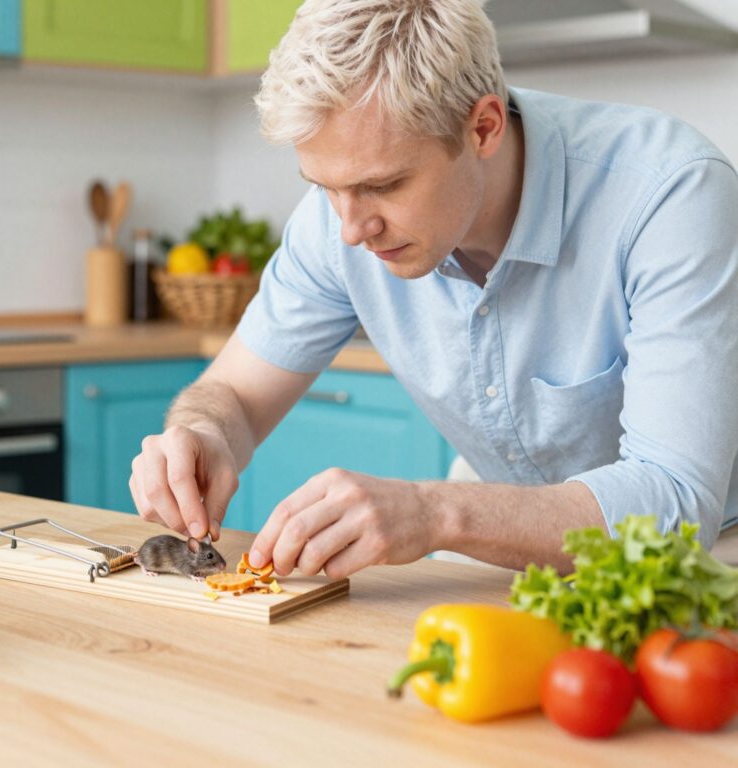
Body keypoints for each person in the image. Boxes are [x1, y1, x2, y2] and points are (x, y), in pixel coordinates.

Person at [128, 0, 738, 577]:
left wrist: (433, 512)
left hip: (705, 551)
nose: (350, 229)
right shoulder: (338, 220)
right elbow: (232, 393)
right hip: (499, 539)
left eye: (385, 185)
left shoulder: (670, 195)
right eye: (323, 186)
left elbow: (675, 500)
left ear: (483, 127)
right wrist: (203, 434)